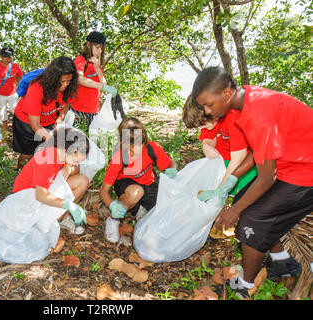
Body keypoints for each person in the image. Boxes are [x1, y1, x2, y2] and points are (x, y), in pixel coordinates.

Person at [190, 66, 313, 299]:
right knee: (243, 198)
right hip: (288, 163)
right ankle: (282, 262)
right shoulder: (241, 102)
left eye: (208, 104)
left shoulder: (259, 114)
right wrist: (231, 181)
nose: (207, 111)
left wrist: (233, 211)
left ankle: (244, 286)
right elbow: (259, 151)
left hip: (306, 171)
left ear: (226, 93)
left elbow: (267, 177)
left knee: (250, 218)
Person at [99, 117, 178, 243]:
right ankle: (113, 220)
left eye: (142, 143)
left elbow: (170, 164)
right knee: (136, 191)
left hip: (149, 184)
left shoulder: (152, 148)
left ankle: (141, 209)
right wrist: (112, 206)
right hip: (127, 186)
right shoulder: (119, 157)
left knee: (166, 211)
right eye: (134, 146)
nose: (139, 148)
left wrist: (172, 169)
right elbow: (104, 190)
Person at [12, 127, 90, 234]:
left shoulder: (62, 155)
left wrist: (69, 167)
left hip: (45, 190)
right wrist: (68, 205)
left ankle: (60, 218)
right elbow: (40, 195)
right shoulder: (47, 160)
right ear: (66, 150)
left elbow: (76, 170)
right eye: (75, 161)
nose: (77, 164)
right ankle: (47, 222)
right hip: (27, 199)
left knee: (82, 180)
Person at [182, 94, 257, 199]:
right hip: (226, 155)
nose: (201, 128)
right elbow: (208, 136)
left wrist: (219, 190)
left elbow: (238, 159)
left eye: (202, 124)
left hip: (249, 160)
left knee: (245, 194)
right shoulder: (211, 118)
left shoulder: (233, 117)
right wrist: (207, 146)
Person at [12, 56, 79, 169]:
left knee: (42, 152)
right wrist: (53, 140)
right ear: (53, 79)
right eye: (62, 81)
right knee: (28, 152)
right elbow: (35, 125)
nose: (65, 84)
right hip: (26, 122)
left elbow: (66, 103)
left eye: (69, 81)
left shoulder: (70, 86)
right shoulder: (37, 88)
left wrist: (59, 119)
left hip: (49, 120)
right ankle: (19, 174)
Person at [71, 31, 118, 127]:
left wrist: (97, 66)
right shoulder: (80, 60)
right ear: (88, 44)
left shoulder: (96, 62)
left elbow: (103, 82)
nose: (99, 51)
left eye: (101, 48)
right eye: (97, 47)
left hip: (94, 110)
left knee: (92, 139)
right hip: (79, 110)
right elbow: (80, 79)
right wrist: (102, 86)